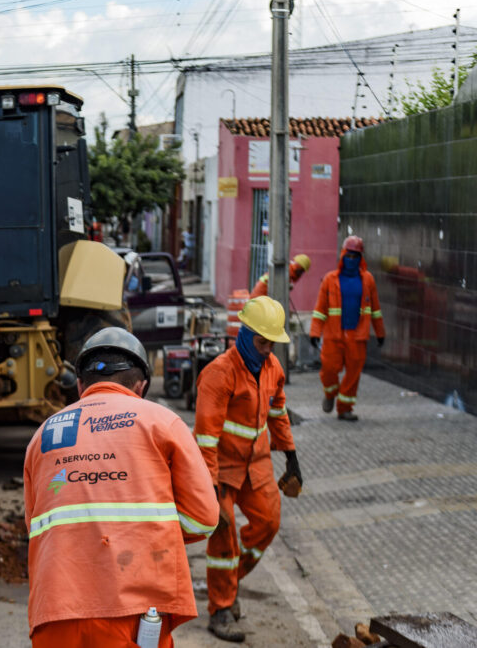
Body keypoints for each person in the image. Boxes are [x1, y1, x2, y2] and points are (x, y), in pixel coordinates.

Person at [24, 327, 218, 648]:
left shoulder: (43, 435)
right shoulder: (161, 422)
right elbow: (203, 519)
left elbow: (37, 525)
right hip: (135, 608)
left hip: (55, 608)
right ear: (141, 386)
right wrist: (147, 533)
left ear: (81, 385)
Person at [194, 296, 301, 642]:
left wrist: (291, 456)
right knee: (223, 534)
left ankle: (231, 580)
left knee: (269, 522)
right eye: (262, 342)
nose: (267, 350)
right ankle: (221, 609)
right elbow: (206, 439)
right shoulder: (219, 374)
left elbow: (278, 413)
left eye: (272, 344)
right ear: (244, 334)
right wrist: (209, 489)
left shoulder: (273, 369)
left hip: (257, 463)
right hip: (222, 468)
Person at [310, 236, 385, 421]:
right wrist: (315, 332)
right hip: (333, 335)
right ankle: (330, 394)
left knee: (353, 374)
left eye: (355, 256)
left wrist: (380, 333)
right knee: (329, 370)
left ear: (361, 258)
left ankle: (345, 409)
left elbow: (375, 309)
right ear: (343, 255)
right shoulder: (330, 279)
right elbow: (320, 310)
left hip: (357, 336)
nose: (351, 259)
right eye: (348, 255)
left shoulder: (368, 280)